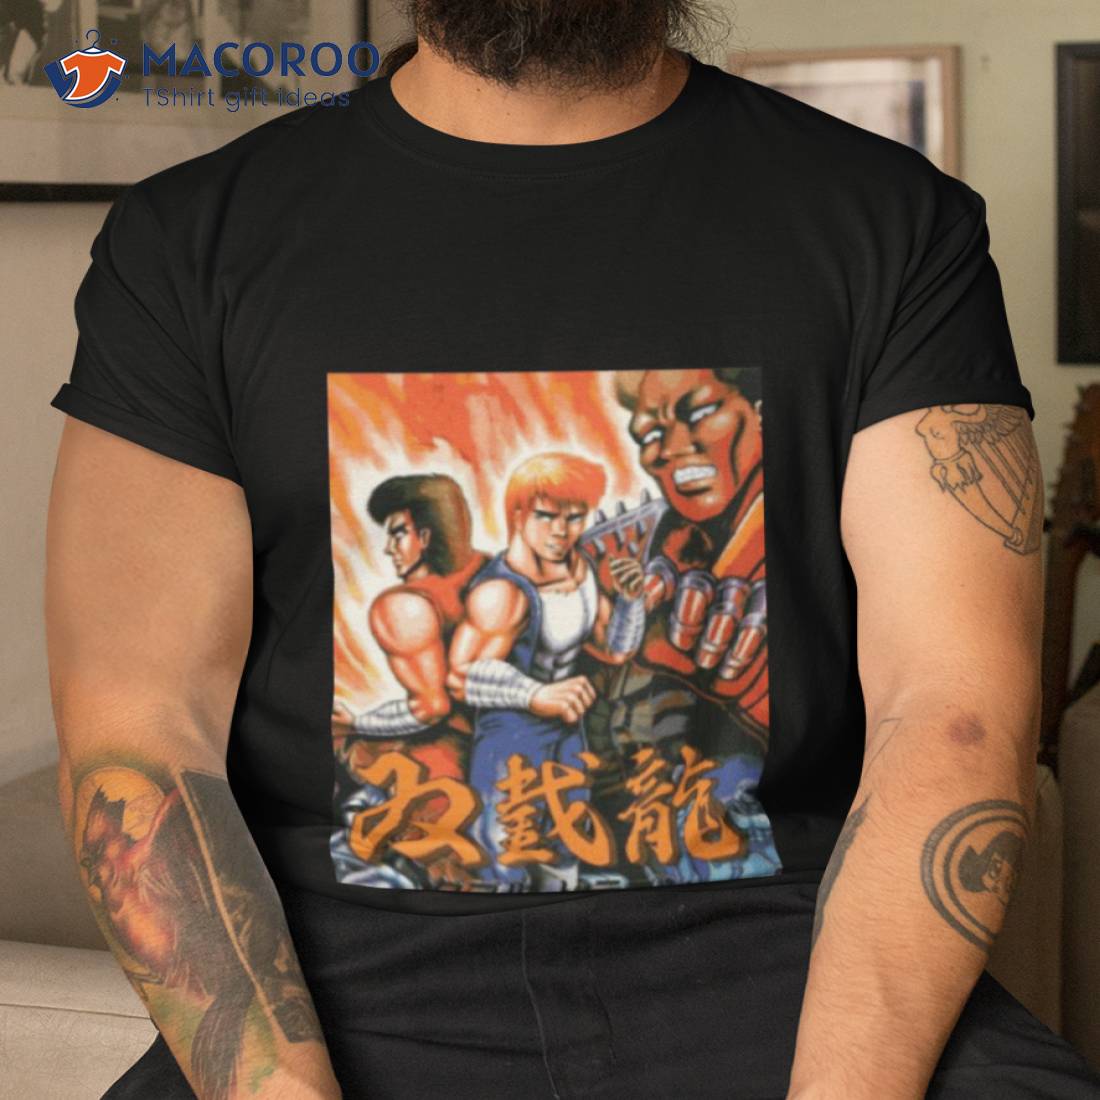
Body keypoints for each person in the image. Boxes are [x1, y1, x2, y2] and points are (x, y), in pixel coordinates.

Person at [43, 1, 1100, 1097]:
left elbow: (950, 705)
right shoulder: (187, 240)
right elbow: (140, 721)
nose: (563, 530)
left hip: (787, 961)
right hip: (338, 977)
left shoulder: (895, 221)